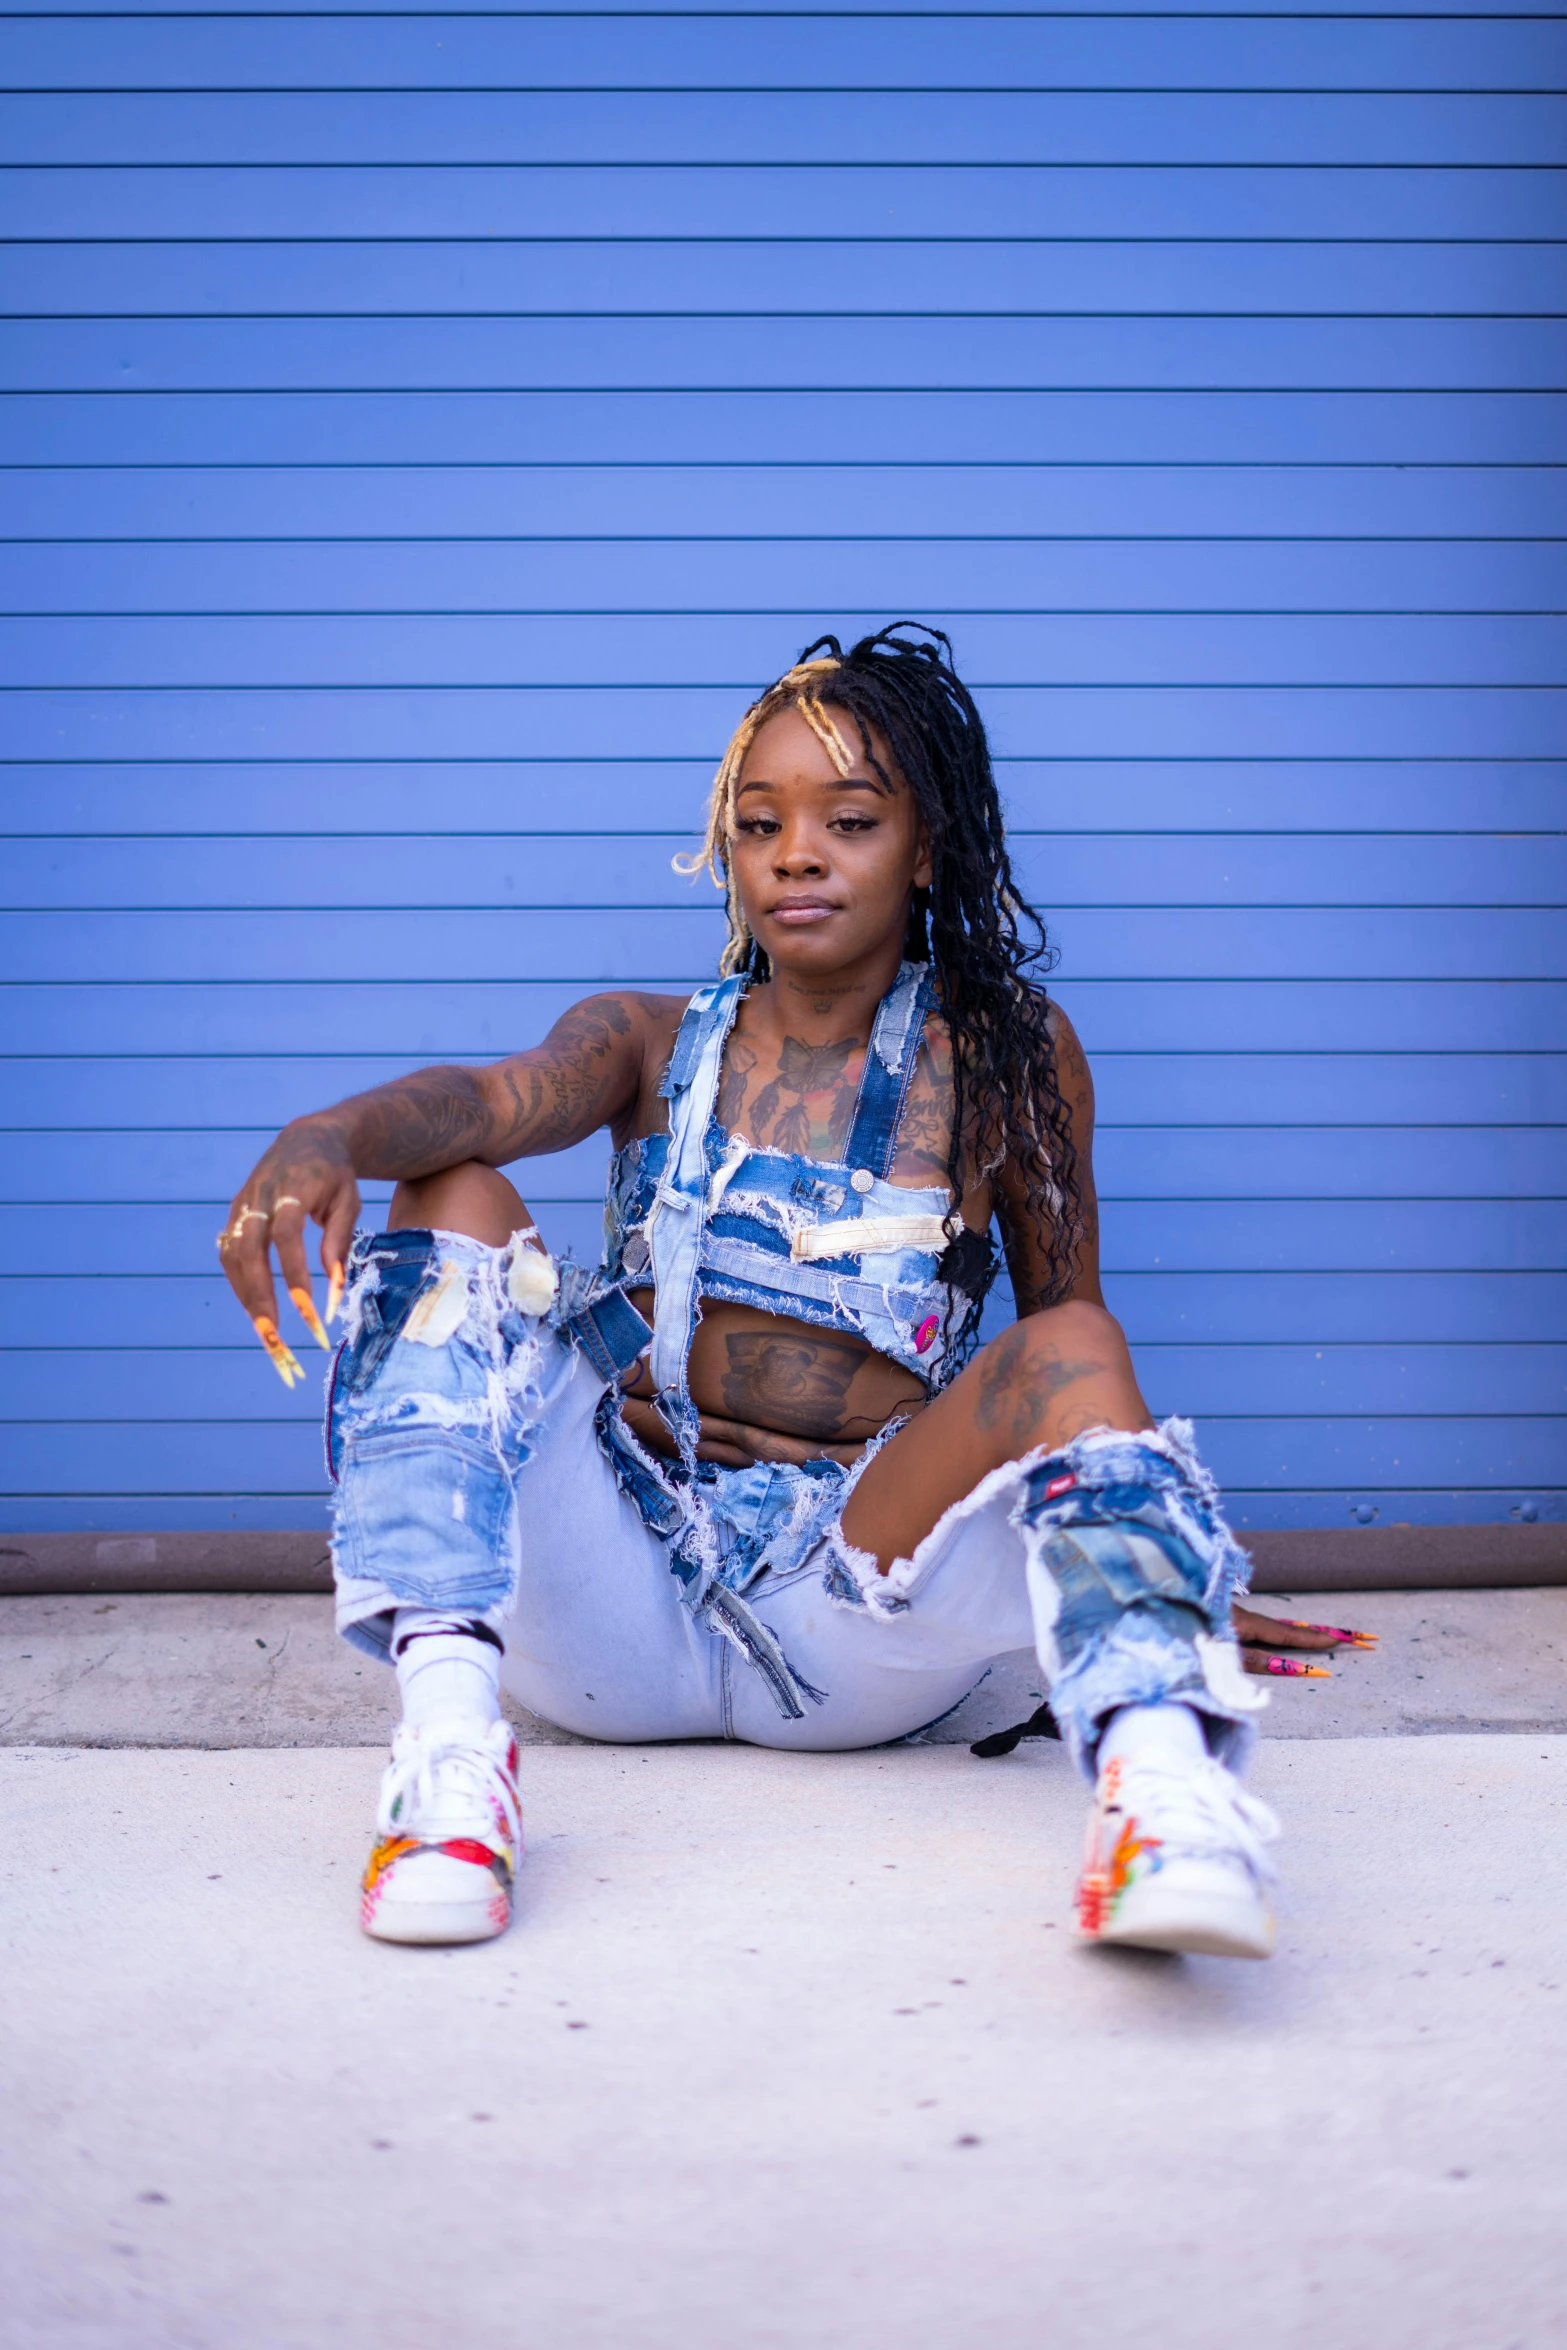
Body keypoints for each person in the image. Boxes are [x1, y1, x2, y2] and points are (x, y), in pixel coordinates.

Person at [218, 625, 1360, 1961]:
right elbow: (481, 1101)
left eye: (848, 819)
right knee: (450, 1192)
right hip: (610, 1596)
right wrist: (328, 1132)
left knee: (1069, 1342)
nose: (794, 854)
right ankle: (450, 1775)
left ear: (924, 848)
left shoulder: (1008, 1057)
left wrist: (1147, 1563)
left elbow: (1064, 1352)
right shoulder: (639, 1042)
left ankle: (1165, 1804)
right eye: (757, 823)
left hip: (851, 1608)